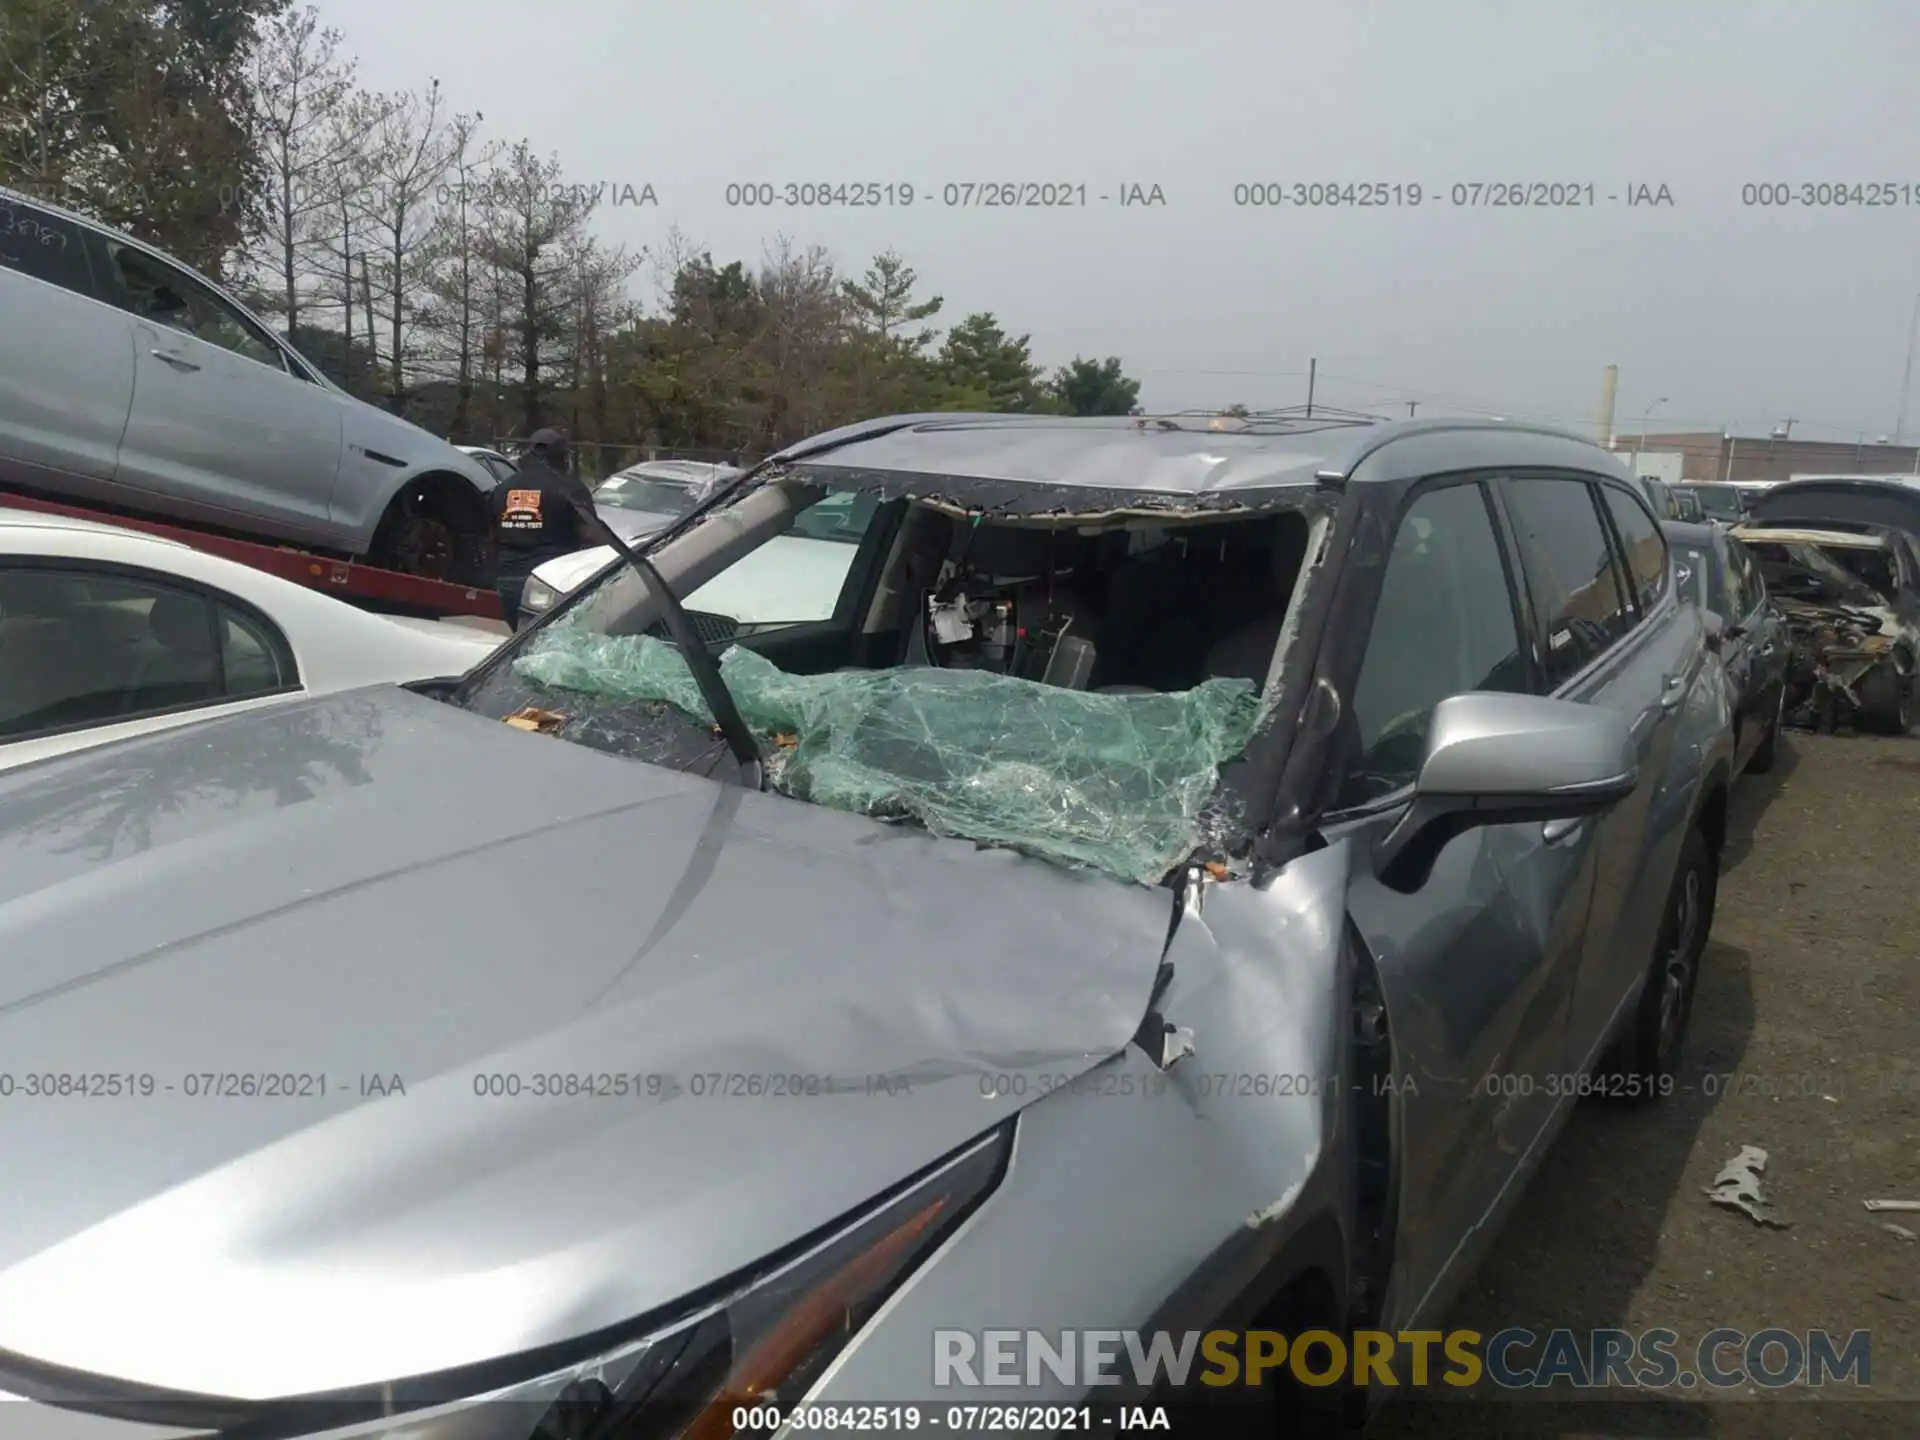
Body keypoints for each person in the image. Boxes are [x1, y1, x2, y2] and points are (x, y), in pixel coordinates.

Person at [488, 428, 607, 629]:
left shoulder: (503, 488)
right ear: (561, 458)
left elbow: (491, 537)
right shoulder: (569, 487)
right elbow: (590, 534)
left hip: (508, 582)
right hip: (550, 583)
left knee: (521, 641)